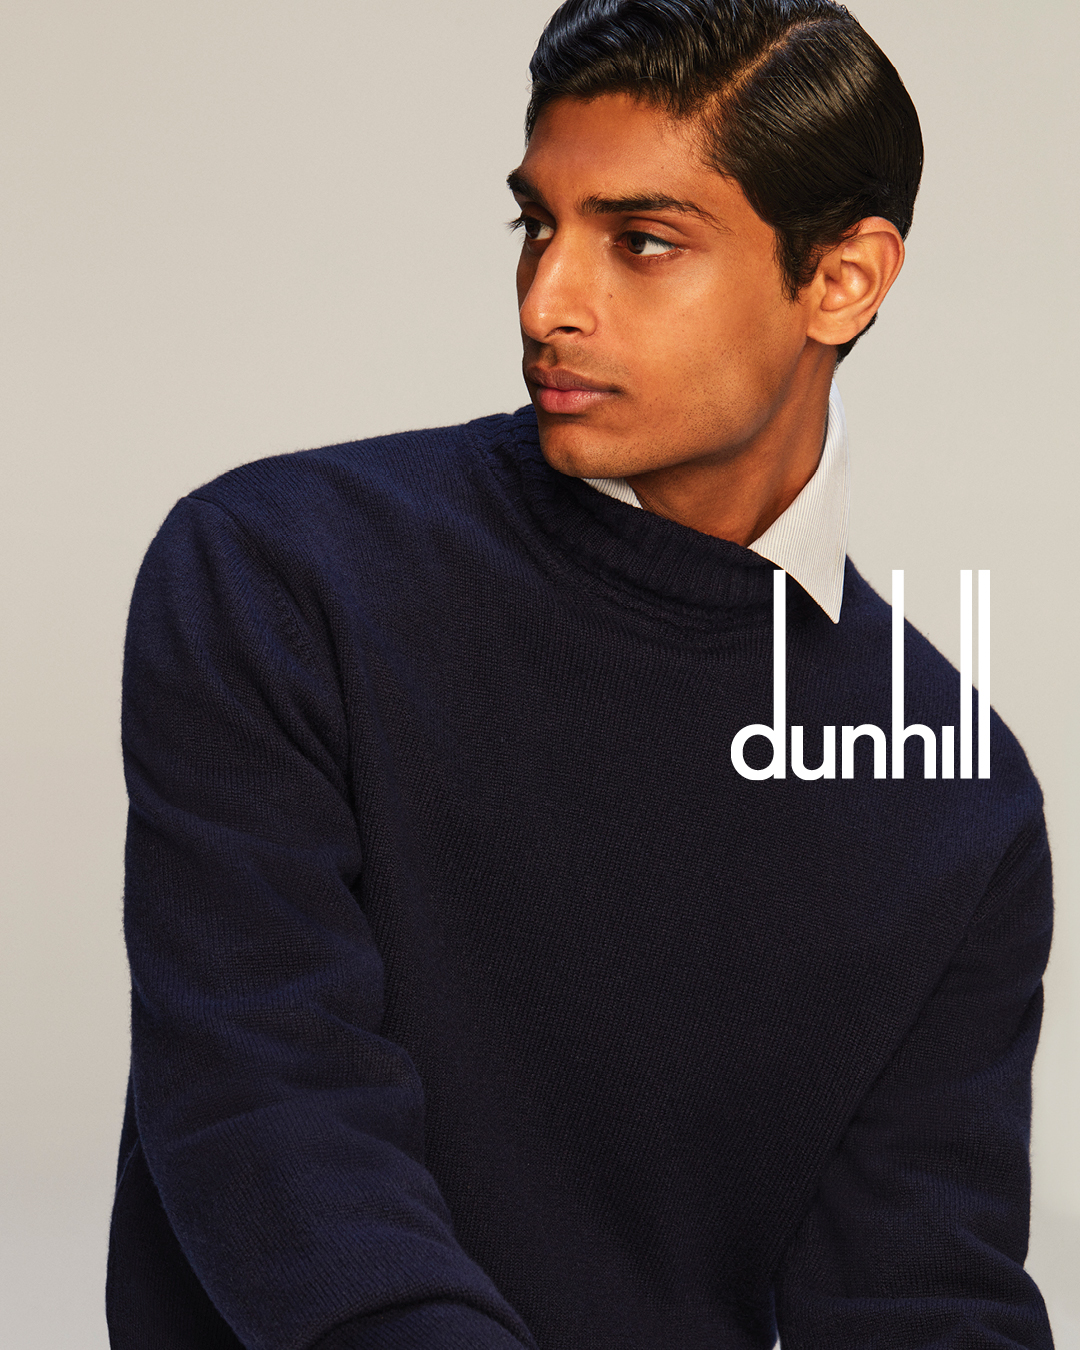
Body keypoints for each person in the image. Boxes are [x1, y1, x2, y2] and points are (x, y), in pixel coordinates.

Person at [106, 1, 1054, 1347]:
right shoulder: (279, 575)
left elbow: (916, 1292)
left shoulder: (952, 787)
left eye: (642, 242)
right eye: (536, 225)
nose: (547, 301)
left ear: (842, 280)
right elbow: (274, 1122)